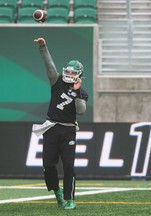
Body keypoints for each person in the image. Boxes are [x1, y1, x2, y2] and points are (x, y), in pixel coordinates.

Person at [33, 37, 88, 210]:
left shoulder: (82, 93)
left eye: (73, 73)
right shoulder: (56, 82)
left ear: (78, 75)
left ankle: (70, 198)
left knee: (69, 165)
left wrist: (77, 93)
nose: (69, 75)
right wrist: (43, 46)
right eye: (68, 72)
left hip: (68, 131)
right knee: (48, 165)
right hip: (51, 128)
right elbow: (49, 65)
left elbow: (81, 110)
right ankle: (56, 192)